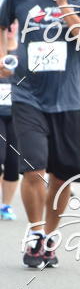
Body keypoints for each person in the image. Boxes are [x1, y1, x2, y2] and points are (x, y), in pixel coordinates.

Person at [0, 0, 80, 267]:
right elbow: (2, 26)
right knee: (35, 168)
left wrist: (64, 6)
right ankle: (35, 231)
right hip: (28, 96)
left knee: (62, 176)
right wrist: (3, 57)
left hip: (67, 99)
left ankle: (50, 237)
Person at [0, 20, 19, 220]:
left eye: (14, 24)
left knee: (14, 163)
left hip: (18, 112)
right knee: (0, 158)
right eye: (7, 25)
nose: (10, 28)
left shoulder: (24, 49)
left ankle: (6, 206)